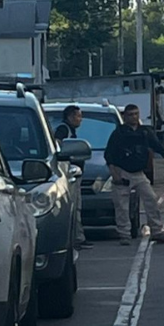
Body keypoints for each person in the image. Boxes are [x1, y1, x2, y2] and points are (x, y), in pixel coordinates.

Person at [105, 104, 164, 245]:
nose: (134, 117)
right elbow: (108, 155)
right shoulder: (119, 133)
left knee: (151, 199)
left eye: (136, 114)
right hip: (122, 171)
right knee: (122, 205)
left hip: (139, 173)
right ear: (125, 117)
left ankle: (157, 230)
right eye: (130, 114)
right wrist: (114, 174)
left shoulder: (145, 132)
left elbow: (159, 148)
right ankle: (124, 234)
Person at [52, 105, 94, 249]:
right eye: (78, 116)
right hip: (68, 174)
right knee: (74, 206)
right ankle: (77, 238)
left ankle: (77, 237)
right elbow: (58, 146)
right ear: (70, 117)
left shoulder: (70, 131)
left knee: (76, 206)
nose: (80, 120)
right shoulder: (64, 130)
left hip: (74, 174)